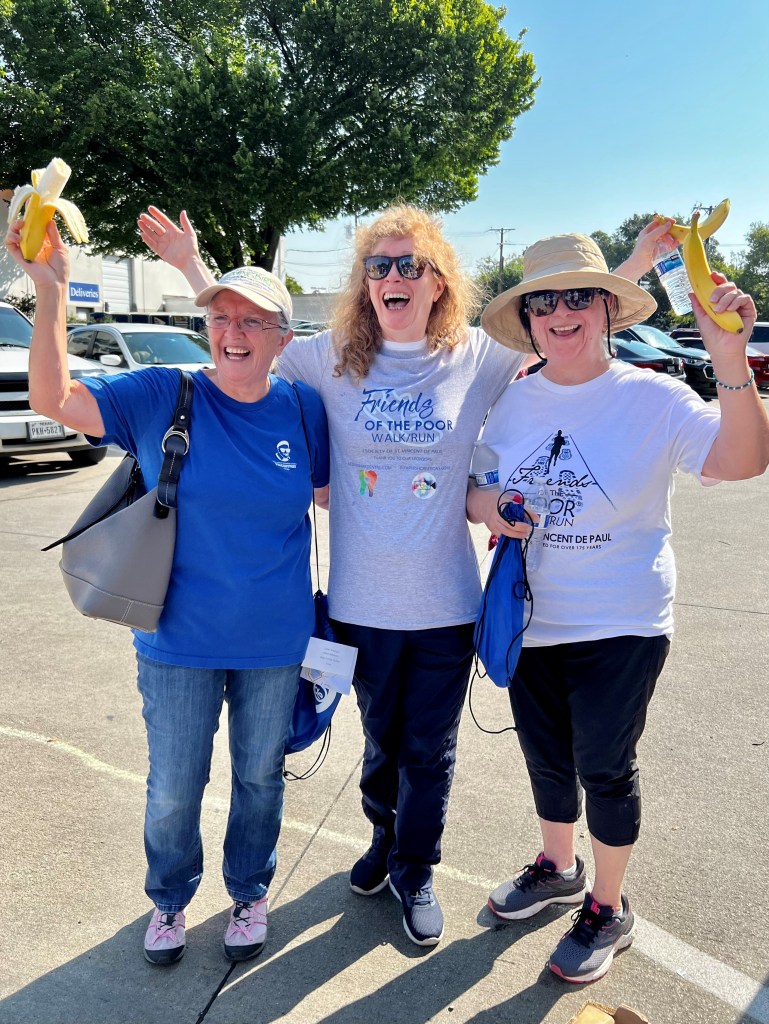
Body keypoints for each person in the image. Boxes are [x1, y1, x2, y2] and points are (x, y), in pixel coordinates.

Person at [138, 205, 671, 949]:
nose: (393, 277)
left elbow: (564, 316)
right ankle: (383, 841)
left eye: (408, 265)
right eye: (378, 266)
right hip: (359, 604)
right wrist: (192, 268)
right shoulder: (325, 356)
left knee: (430, 750)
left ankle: (415, 868)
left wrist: (632, 266)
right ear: (364, 284)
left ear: (436, 281)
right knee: (381, 744)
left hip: (447, 606)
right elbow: (246, 336)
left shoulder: (476, 357)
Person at [5, 219, 329, 966]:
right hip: (177, 639)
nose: (233, 332)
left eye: (252, 320)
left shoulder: (303, 409)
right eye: (219, 317)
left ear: (283, 338)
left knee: (259, 779)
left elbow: (327, 496)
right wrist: (50, 291)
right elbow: (54, 399)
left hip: (275, 643)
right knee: (176, 788)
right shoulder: (163, 393)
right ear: (203, 325)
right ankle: (170, 901)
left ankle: (249, 892)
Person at [467, 231, 769, 983]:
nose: (561, 313)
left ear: (606, 309)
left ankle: (607, 905)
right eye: (543, 302)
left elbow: (740, 460)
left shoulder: (653, 395)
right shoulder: (510, 402)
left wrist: (728, 362)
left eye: (578, 297)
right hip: (532, 618)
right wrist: (490, 506)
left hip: (623, 621)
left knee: (603, 764)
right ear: (528, 318)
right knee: (543, 758)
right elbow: (476, 487)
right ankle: (556, 864)